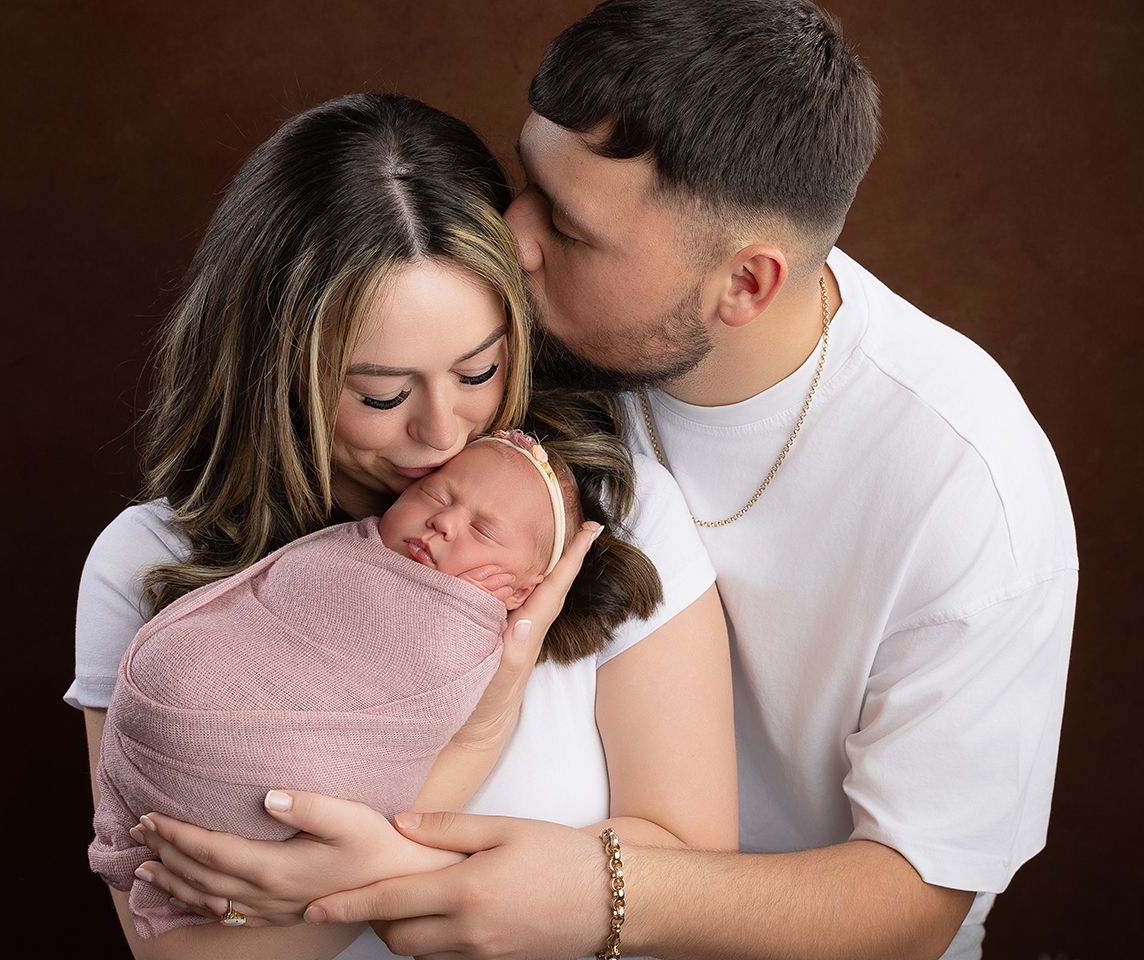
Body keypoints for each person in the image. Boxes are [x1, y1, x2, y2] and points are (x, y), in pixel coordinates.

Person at [126, 3, 1078, 959]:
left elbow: (917, 904)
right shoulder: (505, 355)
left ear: (745, 285)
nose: (513, 237)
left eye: (570, 229)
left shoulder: (967, 487)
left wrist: (594, 892)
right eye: (528, 180)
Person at [68, 89, 738, 960]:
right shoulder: (152, 565)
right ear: (279, 370)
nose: (443, 433)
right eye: (381, 393)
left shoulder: (606, 512)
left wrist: (374, 869)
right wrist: (456, 771)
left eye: (479, 370)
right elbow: (179, 951)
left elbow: (693, 876)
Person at [92, 429, 655, 951]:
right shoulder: (334, 549)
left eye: (483, 531)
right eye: (435, 496)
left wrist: (384, 865)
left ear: (523, 588)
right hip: (169, 723)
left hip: (270, 776)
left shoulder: (463, 633)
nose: (445, 523)